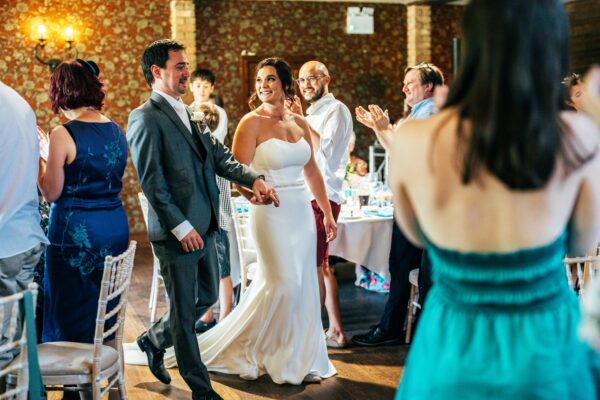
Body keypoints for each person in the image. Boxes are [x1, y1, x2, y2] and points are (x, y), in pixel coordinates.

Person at [390, 1, 600, 398]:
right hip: (544, 344)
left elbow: (418, 236)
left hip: (452, 340)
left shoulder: (415, 138)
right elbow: (582, 244)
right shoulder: (577, 135)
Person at [158, 57, 337, 384]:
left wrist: (325, 212)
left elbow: (312, 170)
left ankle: (302, 357)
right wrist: (250, 192)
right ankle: (275, 356)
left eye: (269, 79)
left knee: (303, 284)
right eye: (259, 81)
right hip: (269, 211)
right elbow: (234, 171)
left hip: (300, 210)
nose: (263, 86)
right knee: (282, 283)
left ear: (285, 83)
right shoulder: (250, 123)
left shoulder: (299, 122)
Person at [127, 39, 276, 400]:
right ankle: (200, 389)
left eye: (187, 65)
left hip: (208, 222)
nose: (187, 72)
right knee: (183, 312)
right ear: (157, 72)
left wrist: (252, 178)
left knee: (206, 295)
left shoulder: (191, 112)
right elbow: (153, 182)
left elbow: (220, 156)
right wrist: (180, 227)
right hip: (178, 232)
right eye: (179, 66)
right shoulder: (144, 118)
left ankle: (153, 339)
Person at [37, 60, 129, 347]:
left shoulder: (62, 133)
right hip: (114, 226)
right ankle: (106, 362)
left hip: (75, 234)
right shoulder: (115, 129)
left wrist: (40, 156)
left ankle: (74, 382)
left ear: (61, 92)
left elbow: (51, 193)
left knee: (70, 306)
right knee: (105, 305)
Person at [352, 62, 444, 346]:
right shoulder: (418, 114)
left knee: (411, 270)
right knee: (404, 268)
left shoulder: (430, 113)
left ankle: (405, 331)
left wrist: (384, 129)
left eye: (411, 82)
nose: (404, 87)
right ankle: (398, 328)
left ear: (428, 86)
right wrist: (381, 129)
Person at [290, 60, 353, 348]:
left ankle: (313, 335)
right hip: (305, 195)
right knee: (319, 265)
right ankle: (334, 330)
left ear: (327, 78)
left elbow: (324, 154)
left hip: (322, 197)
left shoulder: (336, 110)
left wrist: (300, 122)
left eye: (312, 79)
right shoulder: (312, 111)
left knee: (316, 266)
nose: (306, 85)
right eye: (301, 80)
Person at [0, 81, 48, 368]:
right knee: (14, 341)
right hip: (26, 234)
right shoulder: (18, 101)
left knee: (3, 348)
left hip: (4, 243)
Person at [189, 68, 234, 333]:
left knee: (220, 250)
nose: (202, 90)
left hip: (217, 184)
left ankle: (227, 313)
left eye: (206, 86)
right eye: (197, 86)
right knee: (201, 253)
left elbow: (211, 146)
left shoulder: (219, 113)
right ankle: (206, 314)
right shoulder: (185, 112)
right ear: (191, 88)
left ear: (212, 88)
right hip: (196, 189)